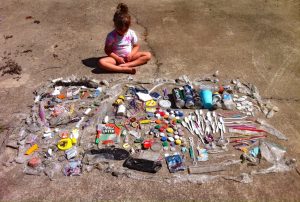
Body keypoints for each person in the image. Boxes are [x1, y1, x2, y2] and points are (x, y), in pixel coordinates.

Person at [99, 3, 151, 74]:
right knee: (101, 62)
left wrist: (131, 54)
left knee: (148, 55)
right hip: (116, 58)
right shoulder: (111, 36)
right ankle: (122, 69)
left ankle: (127, 65)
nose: (122, 33)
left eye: (125, 31)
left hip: (129, 57)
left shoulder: (131, 33)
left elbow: (136, 46)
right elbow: (107, 50)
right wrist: (117, 58)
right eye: (120, 30)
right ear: (115, 25)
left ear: (129, 26)